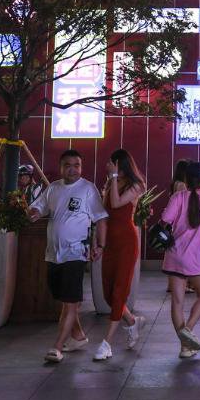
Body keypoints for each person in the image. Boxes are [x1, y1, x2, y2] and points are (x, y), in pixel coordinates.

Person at [29, 148, 108, 363]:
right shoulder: (53, 188)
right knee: (64, 299)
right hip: (54, 254)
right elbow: (38, 207)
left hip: (76, 252)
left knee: (71, 303)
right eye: (68, 165)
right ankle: (78, 336)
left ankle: (57, 347)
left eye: (77, 165)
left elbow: (100, 218)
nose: (73, 169)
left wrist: (100, 245)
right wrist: (34, 212)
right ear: (61, 167)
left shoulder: (88, 189)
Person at [161, 160, 200, 358]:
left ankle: (185, 346)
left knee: (177, 301)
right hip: (195, 259)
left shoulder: (177, 197)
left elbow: (165, 219)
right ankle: (187, 330)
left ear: (186, 179)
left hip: (173, 256)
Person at [93, 149, 144, 361]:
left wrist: (113, 178)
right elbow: (104, 215)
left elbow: (116, 203)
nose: (110, 167)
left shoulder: (136, 185)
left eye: (113, 165)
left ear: (122, 166)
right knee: (107, 293)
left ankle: (107, 343)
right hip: (111, 243)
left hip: (126, 242)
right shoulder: (109, 183)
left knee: (119, 291)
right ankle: (132, 321)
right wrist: (99, 244)